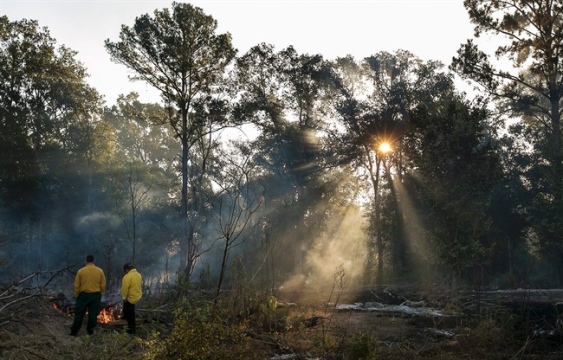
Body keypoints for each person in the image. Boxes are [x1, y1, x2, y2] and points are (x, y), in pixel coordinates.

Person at [69, 254, 106, 336]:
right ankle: (90, 331)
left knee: (79, 314)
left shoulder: (81, 271)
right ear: (93, 260)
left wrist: (76, 294)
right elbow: (103, 284)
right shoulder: (100, 271)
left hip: (83, 295)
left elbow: (76, 285)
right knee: (93, 314)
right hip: (95, 295)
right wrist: (101, 293)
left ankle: (74, 332)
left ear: (86, 261)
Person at [121, 262, 142, 334]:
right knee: (126, 307)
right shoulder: (138, 275)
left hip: (131, 298)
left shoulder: (127, 277)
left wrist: (124, 296)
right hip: (137, 296)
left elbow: (125, 288)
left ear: (127, 270)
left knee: (131, 314)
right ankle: (125, 316)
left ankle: (132, 330)